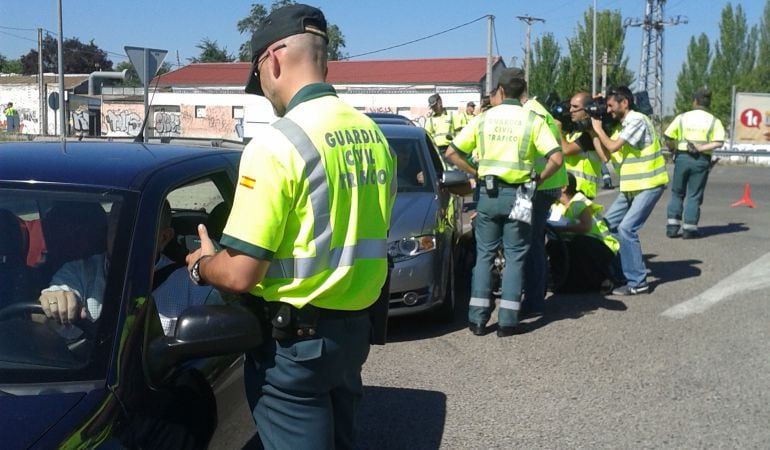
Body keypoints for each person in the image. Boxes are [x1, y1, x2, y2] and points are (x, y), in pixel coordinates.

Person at [184, 4, 395, 449]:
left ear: (273, 60)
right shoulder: (375, 136)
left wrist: (203, 265)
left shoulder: (277, 143)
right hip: (353, 336)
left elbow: (241, 273)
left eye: (259, 78)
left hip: (295, 350)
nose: (265, 92)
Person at [445, 68, 561, 337]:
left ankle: (477, 320)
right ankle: (508, 322)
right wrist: (538, 179)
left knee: (485, 254)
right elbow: (556, 158)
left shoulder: (483, 119)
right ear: (523, 91)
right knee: (515, 256)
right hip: (520, 196)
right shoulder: (532, 120)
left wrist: (475, 172)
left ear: (500, 90)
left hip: (488, 194)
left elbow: (451, 153)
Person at [39, 200, 221, 336]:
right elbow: (60, 292)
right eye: (118, 223)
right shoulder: (79, 272)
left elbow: (222, 330)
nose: (124, 233)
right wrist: (55, 300)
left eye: (139, 226)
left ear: (164, 238)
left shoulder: (191, 285)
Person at [591, 86, 668, 296]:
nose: (608, 111)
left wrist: (598, 129)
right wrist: (593, 132)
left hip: (649, 183)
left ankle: (638, 282)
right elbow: (606, 156)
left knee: (626, 229)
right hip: (632, 187)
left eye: (610, 106)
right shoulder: (621, 128)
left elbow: (613, 146)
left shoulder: (637, 120)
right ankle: (622, 275)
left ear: (624, 102)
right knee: (607, 226)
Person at [518, 71, 566, 316]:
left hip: (537, 186)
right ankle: (530, 294)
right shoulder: (537, 109)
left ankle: (534, 300)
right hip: (540, 185)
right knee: (527, 240)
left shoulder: (530, 113)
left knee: (529, 242)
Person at [664, 88, 725, 239]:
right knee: (694, 195)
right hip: (701, 160)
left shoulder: (682, 118)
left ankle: (672, 227)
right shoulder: (714, 121)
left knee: (677, 193)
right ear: (708, 102)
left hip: (682, 158)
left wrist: (673, 150)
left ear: (695, 101)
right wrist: (701, 148)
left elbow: (668, 136)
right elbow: (719, 142)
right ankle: (689, 229)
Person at [547, 173, 619, 293]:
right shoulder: (556, 205)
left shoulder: (579, 202)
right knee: (553, 245)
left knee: (579, 242)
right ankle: (563, 281)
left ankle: (604, 280)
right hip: (577, 242)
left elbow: (586, 227)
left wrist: (563, 229)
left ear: (563, 187)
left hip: (601, 245)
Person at [558, 91, 610, 200]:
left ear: (587, 110)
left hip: (582, 191)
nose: (571, 110)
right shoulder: (575, 130)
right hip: (569, 190)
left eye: (575, 107)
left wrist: (558, 129)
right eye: (570, 106)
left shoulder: (590, 134)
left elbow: (566, 150)